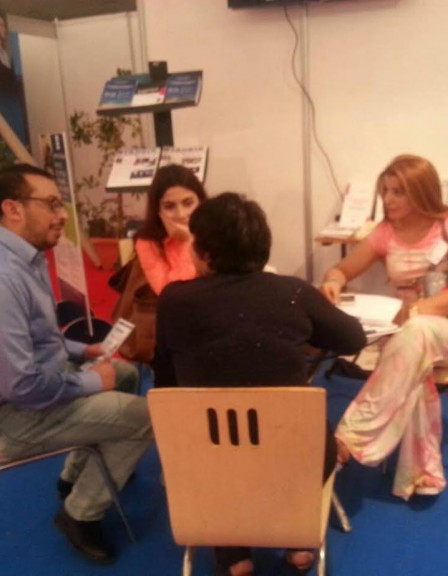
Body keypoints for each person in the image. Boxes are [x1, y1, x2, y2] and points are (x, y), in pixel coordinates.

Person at [0, 164, 153, 565]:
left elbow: (37, 338)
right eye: (53, 204)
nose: (62, 215)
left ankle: (74, 475)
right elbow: (21, 386)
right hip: (6, 418)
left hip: (26, 392)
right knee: (145, 417)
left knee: (126, 375)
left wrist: (83, 352)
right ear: (13, 209)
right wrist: (92, 383)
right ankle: (80, 514)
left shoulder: (20, 256)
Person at [153, 192, 366, 576]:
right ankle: (298, 543)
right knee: (299, 441)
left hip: (205, 459)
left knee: (221, 454)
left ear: (205, 253)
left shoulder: (174, 301)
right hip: (295, 457)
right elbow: (353, 339)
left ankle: (234, 557)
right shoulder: (293, 293)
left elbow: (165, 380)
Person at [319, 154, 448, 500]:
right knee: (415, 358)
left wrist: (417, 312)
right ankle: (423, 474)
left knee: (417, 330)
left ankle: (347, 440)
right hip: (408, 340)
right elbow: (343, 270)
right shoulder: (385, 232)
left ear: (421, 192)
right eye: (385, 191)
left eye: (398, 192)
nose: (388, 200)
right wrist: (333, 280)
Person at [133, 164, 208, 296]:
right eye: (169, 206)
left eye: (188, 203)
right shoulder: (147, 242)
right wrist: (188, 243)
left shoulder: (218, 228)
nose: (181, 214)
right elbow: (169, 294)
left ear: (200, 201)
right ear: (158, 210)